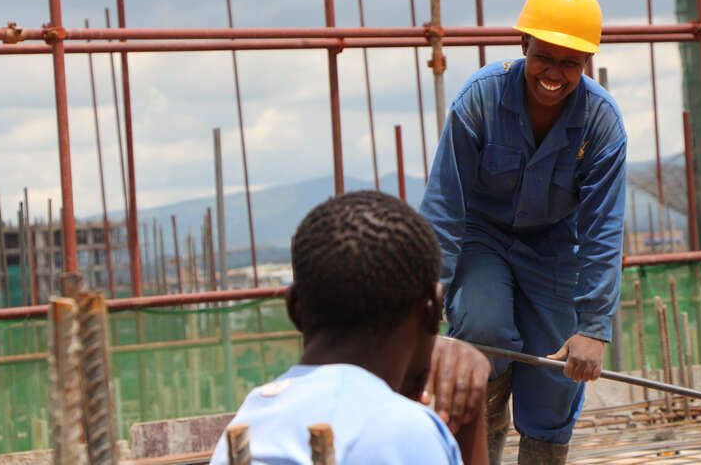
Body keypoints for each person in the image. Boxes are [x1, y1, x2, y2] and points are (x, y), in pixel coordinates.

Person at [419, 0, 627, 464]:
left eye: (569, 63)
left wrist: (594, 328)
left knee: (559, 368)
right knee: (483, 333)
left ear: (585, 65)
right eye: (544, 57)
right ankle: (483, 440)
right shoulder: (480, 100)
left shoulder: (601, 124)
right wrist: (424, 304)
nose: (554, 73)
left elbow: (603, 231)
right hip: (481, 237)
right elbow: (445, 208)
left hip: (555, 247)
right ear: (523, 45)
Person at [209, 191, 491, 465]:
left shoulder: (250, 421)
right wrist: (470, 417)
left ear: (295, 309)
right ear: (432, 310)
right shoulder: (403, 431)